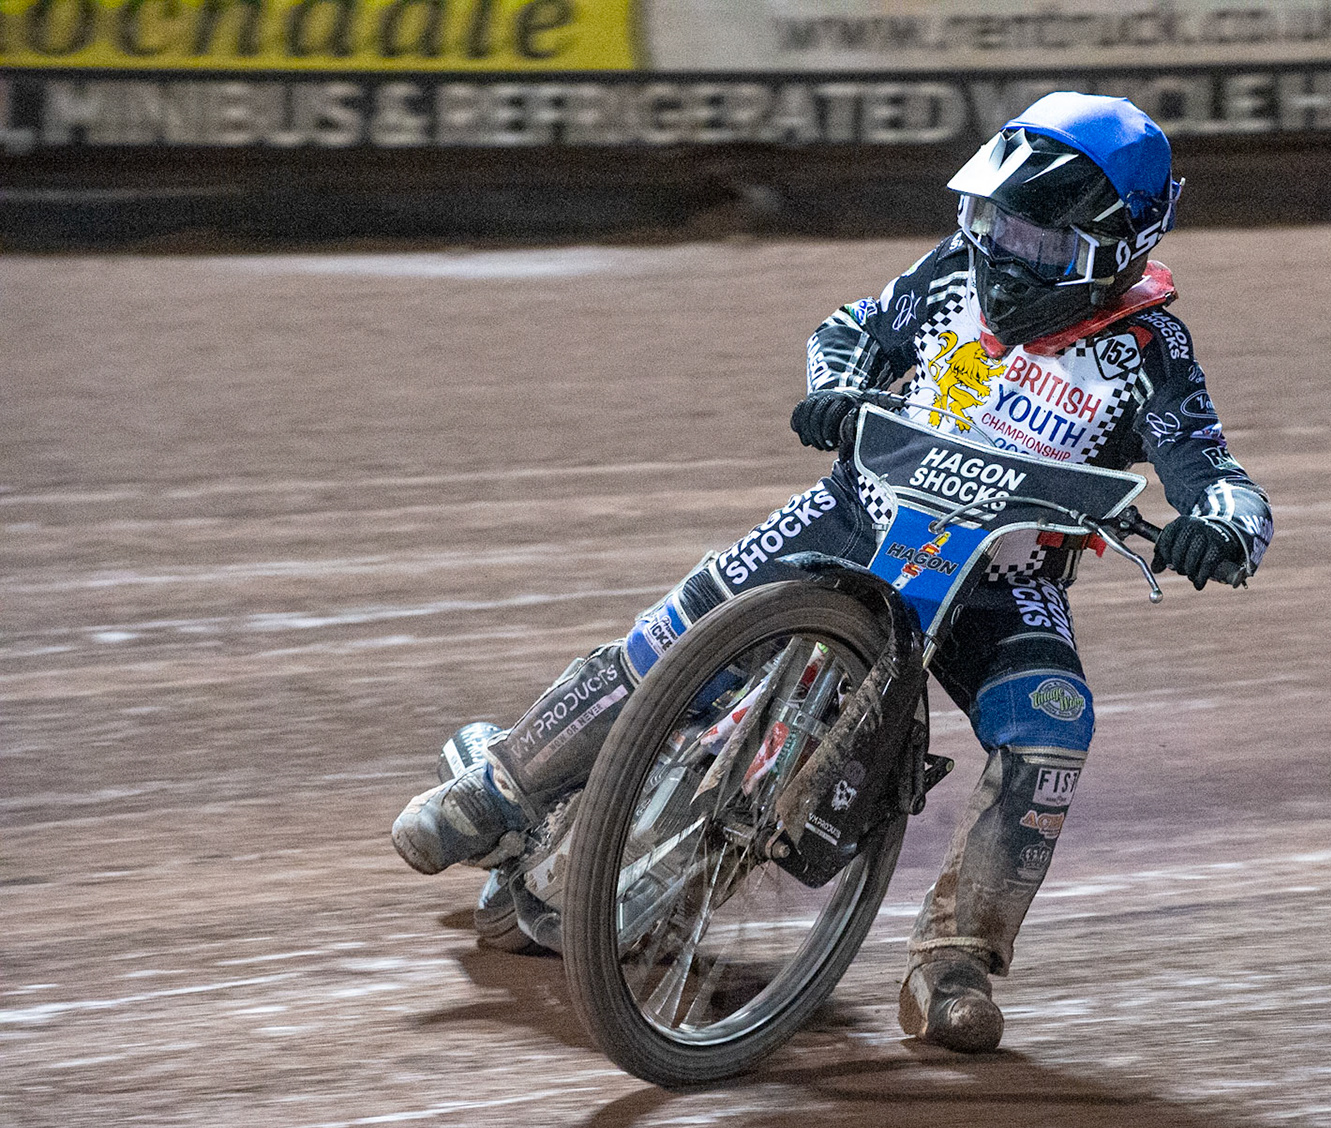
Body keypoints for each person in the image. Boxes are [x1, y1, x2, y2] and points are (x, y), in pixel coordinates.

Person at [391, 92, 1273, 1053]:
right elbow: (849, 327)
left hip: (996, 580)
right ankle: (502, 788)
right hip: (855, 514)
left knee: (1052, 727)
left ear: (1112, 250)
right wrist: (836, 388)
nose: (1005, 252)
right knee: (677, 633)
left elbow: (1215, 475)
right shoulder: (952, 277)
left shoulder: (1151, 351)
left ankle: (955, 960)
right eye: (993, 221)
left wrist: (1222, 528)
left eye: (1039, 240)